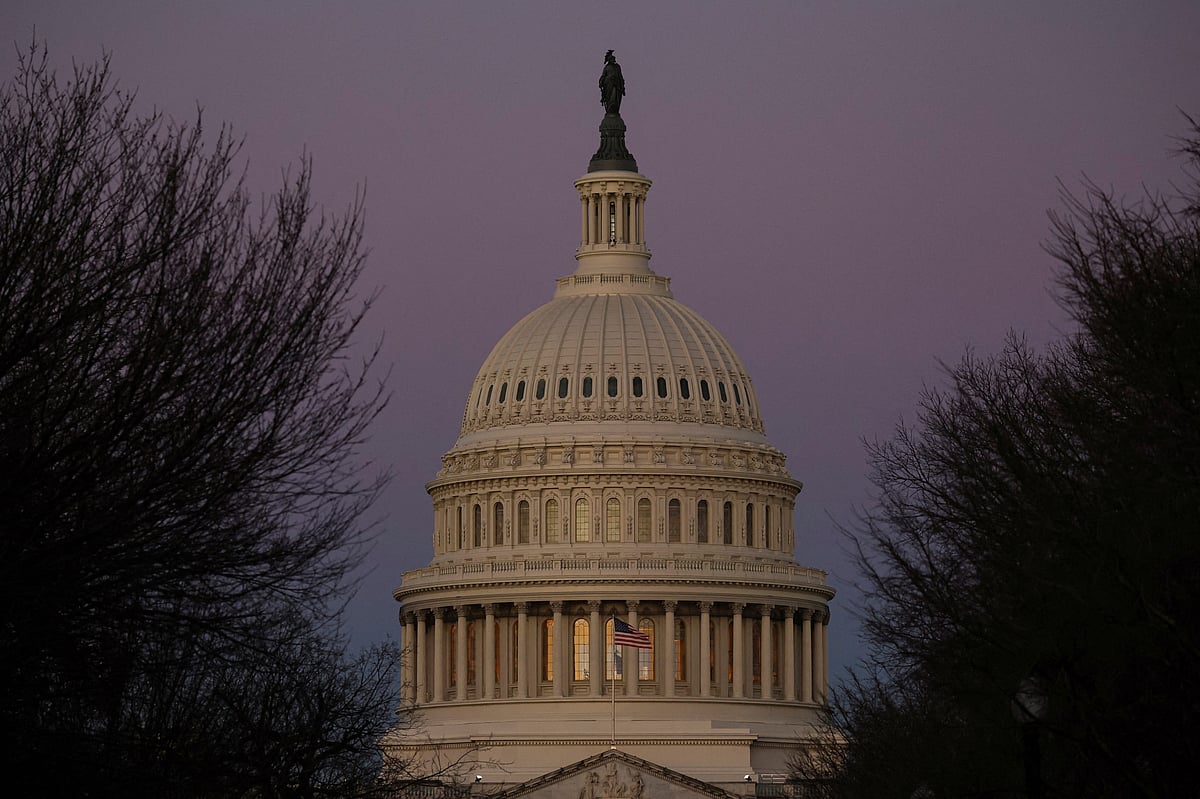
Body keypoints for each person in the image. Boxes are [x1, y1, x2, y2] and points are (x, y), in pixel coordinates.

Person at [599, 50, 625, 115]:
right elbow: (603, 76)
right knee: (610, 96)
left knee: (615, 95)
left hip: (617, 84)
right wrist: (601, 82)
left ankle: (614, 106)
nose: (613, 60)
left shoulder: (617, 67)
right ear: (609, 60)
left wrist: (622, 86)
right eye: (612, 59)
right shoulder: (607, 67)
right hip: (608, 84)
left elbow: (620, 76)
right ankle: (610, 107)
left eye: (614, 59)